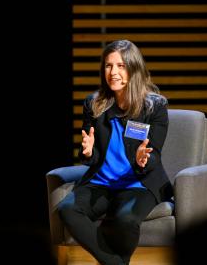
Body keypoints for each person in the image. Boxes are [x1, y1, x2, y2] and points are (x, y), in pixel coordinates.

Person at [58, 39, 173, 265]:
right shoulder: (94, 104)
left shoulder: (155, 106)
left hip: (139, 183)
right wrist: (88, 152)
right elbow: (93, 157)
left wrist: (143, 159)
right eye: (109, 66)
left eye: (121, 66)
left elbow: (154, 154)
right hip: (101, 182)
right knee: (67, 209)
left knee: (126, 219)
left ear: (133, 68)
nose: (114, 72)